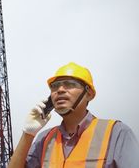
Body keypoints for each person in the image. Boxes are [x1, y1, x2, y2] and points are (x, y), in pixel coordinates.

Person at [8, 62, 139, 168]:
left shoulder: (116, 133)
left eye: (70, 84)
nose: (60, 90)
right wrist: (28, 134)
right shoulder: (44, 139)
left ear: (89, 94)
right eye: (55, 86)